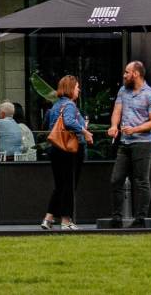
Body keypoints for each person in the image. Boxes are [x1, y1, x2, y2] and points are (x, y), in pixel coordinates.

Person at [108, 60, 151, 224]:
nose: (124, 75)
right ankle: (117, 217)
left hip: (143, 143)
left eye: (127, 72)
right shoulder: (123, 91)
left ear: (136, 74)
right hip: (125, 143)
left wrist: (135, 129)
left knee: (141, 181)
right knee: (116, 179)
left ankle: (140, 217)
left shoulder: (150, 95)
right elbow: (117, 110)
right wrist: (113, 126)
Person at [41, 74, 92, 230]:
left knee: (60, 186)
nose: (79, 90)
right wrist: (85, 131)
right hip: (69, 150)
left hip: (55, 149)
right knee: (69, 185)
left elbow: (47, 126)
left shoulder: (55, 106)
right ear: (71, 89)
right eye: (77, 87)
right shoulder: (70, 105)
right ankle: (66, 220)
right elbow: (69, 122)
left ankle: (48, 219)